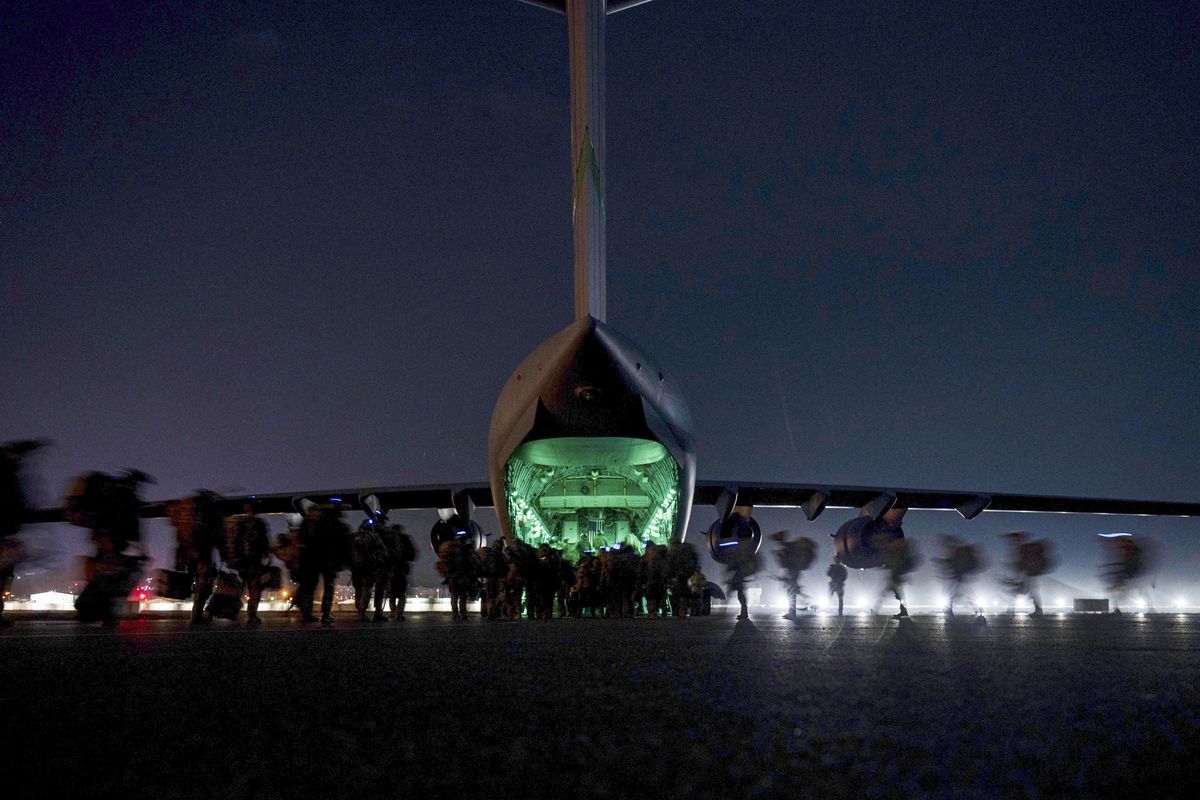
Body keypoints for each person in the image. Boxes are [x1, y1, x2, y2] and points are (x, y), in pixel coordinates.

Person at [66, 469, 152, 627]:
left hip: (108, 545)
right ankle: (106, 611)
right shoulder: (125, 501)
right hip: (112, 546)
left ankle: (101, 611)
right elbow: (133, 532)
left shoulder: (110, 499)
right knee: (117, 576)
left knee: (104, 581)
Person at [0, 440, 45, 628]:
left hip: (7, 531)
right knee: (4, 572)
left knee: (5, 572)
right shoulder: (8, 475)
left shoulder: (11, 475)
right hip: (6, 531)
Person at [167, 490, 225, 626]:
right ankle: (196, 615)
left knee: (197, 582)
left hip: (187, 552)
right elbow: (217, 536)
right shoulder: (210, 514)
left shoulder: (187, 514)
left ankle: (196, 614)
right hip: (203, 553)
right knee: (204, 584)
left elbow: (178, 533)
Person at [296, 504, 350, 626]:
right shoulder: (330, 524)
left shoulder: (308, 524)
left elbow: (303, 541)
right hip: (327, 560)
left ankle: (307, 613)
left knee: (310, 587)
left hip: (312, 560)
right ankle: (325, 614)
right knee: (328, 587)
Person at [230, 499, 271, 626]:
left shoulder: (241, 523)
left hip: (243, 560)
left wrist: (234, 557)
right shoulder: (260, 524)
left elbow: (236, 541)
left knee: (241, 587)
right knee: (254, 588)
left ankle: (231, 611)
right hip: (254, 560)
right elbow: (264, 542)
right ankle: (252, 615)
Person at [1003, 531, 1054, 617]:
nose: (1010, 541)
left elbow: (1021, 564)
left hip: (1028, 573)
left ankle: (1013, 609)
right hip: (1030, 573)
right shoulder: (1023, 548)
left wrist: (1017, 574)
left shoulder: (1022, 549)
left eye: (1012, 539)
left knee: (1024, 591)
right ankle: (1036, 610)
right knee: (1027, 591)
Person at [935, 534, 983, 616]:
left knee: (956, 593)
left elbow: (953, 563)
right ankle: (976, 609)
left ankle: (950, 610)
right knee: (960, 593)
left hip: (961, 577)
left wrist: (943, 563)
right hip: (961, 577)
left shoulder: (959, 551)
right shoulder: (958, 551)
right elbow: (952, 562)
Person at [772, 531, 816, 620]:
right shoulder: (791, 546)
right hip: (793, 570)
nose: (777, 542)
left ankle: (793, 612)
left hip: (793, 570)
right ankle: (795, 610)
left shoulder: (791, 546)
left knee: (791, 592)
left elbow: (788, 559)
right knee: (792, 590)